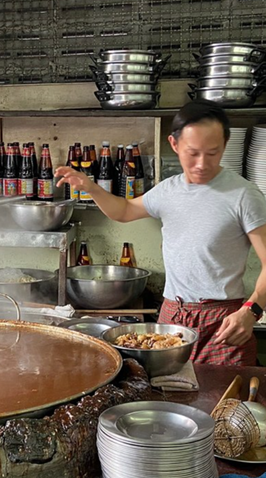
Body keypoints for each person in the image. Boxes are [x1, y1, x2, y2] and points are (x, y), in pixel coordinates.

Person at [55, 100, 266, 366]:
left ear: (225, 144)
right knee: (167, 397)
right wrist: (89, 186)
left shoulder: (244, 196)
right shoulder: (169, 190)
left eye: (212, 153)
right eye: (193, 153)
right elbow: (124, 211)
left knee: (226, 401)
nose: (202, 163)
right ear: (175, 145)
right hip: (172, 316)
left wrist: (252, 310)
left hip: (223, 320)